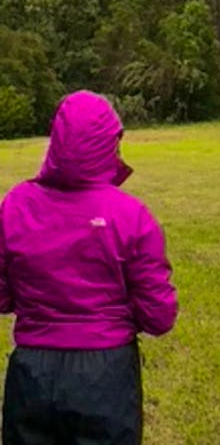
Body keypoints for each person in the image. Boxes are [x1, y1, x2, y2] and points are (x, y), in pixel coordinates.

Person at [0, 90, 177, 445]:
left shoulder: (15, 205)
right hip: (105, 373)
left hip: (32, 371)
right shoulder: (130, 215)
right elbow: (159, 316)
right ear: (108, 145)